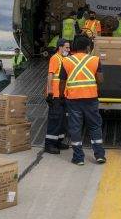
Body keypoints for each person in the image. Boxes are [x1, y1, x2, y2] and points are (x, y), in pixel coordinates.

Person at [59, 35, 106, 165]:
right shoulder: (95, 60)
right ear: (87, 47)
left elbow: (62, 82)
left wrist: (62, 96)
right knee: (95, 126)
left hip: (73, 99)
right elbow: (100, 80)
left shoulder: (66, 61)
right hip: (91, 98)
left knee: (75, 127)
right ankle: (99, 155)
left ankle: (78, 158)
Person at [45, 39, 71, 154]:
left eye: (69, 48)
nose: (68, 50)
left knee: (62, 120)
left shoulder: (64, 59)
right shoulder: (55, 58)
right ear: (60, 47)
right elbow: (50, 75)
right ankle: (49, 144)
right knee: (55, 119)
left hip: (62, 95)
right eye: (67, 48)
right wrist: (50, 92)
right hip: (55, 95)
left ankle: (58, 141)